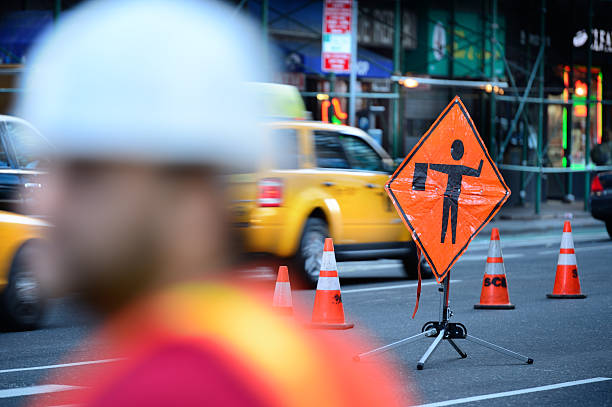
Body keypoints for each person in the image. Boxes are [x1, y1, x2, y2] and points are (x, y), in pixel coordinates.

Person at [16, 1, 409, 406]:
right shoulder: (319, 363)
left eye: (85, 173)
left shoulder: (162, 388)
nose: (46, 196)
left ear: (187, 191)